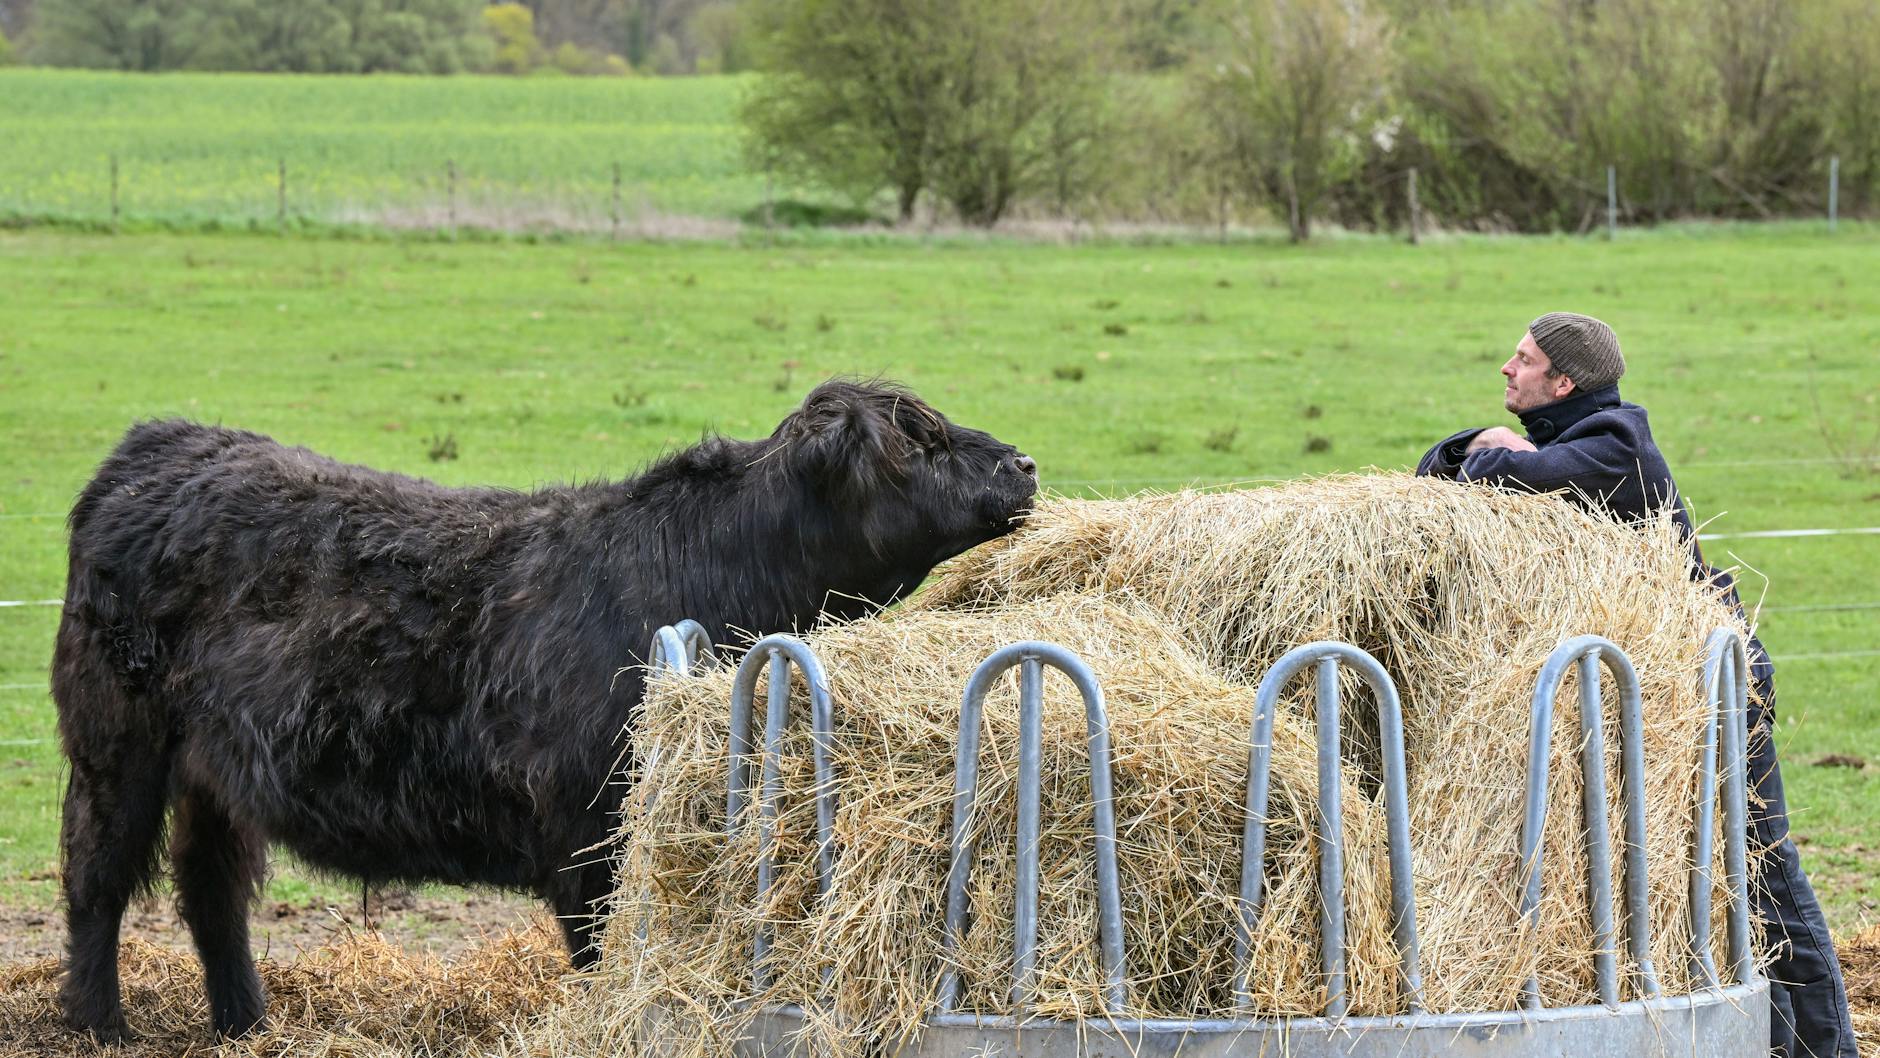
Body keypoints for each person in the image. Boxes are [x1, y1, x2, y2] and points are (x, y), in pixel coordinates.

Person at [1415, 312, 1855, 1058]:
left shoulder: (1618, 443)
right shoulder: (1562, 437)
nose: (1504, 369)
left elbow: (1517, 477)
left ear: (1562, 382)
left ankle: (1827, 1049)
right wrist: (1474, 446)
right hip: (1658, 698)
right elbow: (1434, 474)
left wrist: (1491, 453)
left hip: (1716, 691)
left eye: (1521, 360)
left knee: (1762, 872)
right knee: (1693, 876)